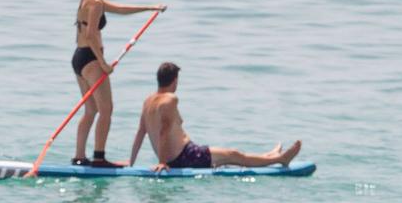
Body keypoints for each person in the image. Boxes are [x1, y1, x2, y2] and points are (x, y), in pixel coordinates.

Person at [72, 0, 166, 168]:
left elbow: (121, 9)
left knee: (90, 110)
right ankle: (98, 157)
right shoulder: (95, 2)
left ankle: (79, 156)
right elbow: (90, 35)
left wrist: (150, 8)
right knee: (106, 109)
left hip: (79, 58)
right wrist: (103, 63)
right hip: (91, 59)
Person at [129, 62, 303, 171]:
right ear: (174, 80)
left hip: (183, 154)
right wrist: (162, 162)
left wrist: (131, 164)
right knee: (233, 155)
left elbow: (140, 133)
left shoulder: (148, 101)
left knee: (230, 156)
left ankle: (269, 156)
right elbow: (164, 131)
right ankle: (281, 159)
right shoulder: (170, 99)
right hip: (184, 157)